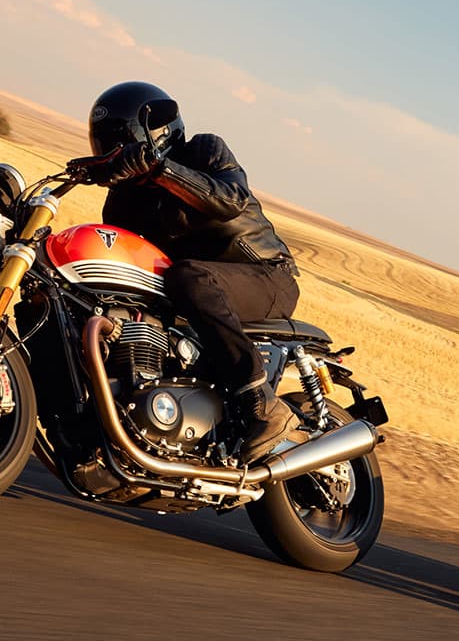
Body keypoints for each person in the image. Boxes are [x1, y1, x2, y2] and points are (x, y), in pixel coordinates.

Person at [80, 81, 300, 464]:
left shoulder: (203, 150)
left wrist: (161, 169)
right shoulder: (122, 202)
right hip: (198, 293)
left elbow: (230, 200)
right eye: (105, 144)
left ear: (152, 132)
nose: (115, 151)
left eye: (121, 140)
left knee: (189, 276)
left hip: (265, 275)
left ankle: (261, 405)